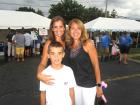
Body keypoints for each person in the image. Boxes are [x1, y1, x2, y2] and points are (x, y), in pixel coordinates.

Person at [67, 18, 103, 105]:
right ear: (69, 31)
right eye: (73, 28)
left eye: (78, 28)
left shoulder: (88, 43)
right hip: (75, 84)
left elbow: (96, 66)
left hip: (88, 85)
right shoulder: (69, 45)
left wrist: (99, 86)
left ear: (82, 30)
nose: (75, 31)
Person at [37, 16, 69, 84]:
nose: (58, 29)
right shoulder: (49, 43)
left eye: (61, 26)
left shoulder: (68, 42)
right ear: (52, 29)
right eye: (55, 27)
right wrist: (39, 74)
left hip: (66, 78)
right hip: (53, 78)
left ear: (64, 28)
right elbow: (43, 63)